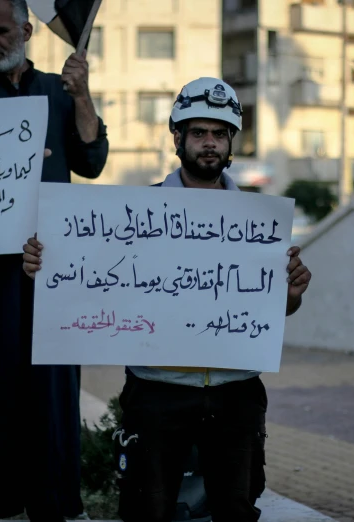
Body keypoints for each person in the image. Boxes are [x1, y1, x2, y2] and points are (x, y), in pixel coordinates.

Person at [22, 77, 312, 522]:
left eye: (219, 134)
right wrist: (45, 262)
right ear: (178, 138)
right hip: (157, 393)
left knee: (235, 509)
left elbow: (274, 310)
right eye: (198, 133)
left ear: (232, 140)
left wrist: (290, 296)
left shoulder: (260, 221)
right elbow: (86, 275)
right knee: (148, 511)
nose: (209, 144)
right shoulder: (137, 213)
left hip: (237, 396)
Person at [0, 0, 108, 521]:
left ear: (28, 30)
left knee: (50, 394)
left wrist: (83, 97)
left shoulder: (58, 91)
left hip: (49, 277)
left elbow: (93, 163)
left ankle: (51, 503)